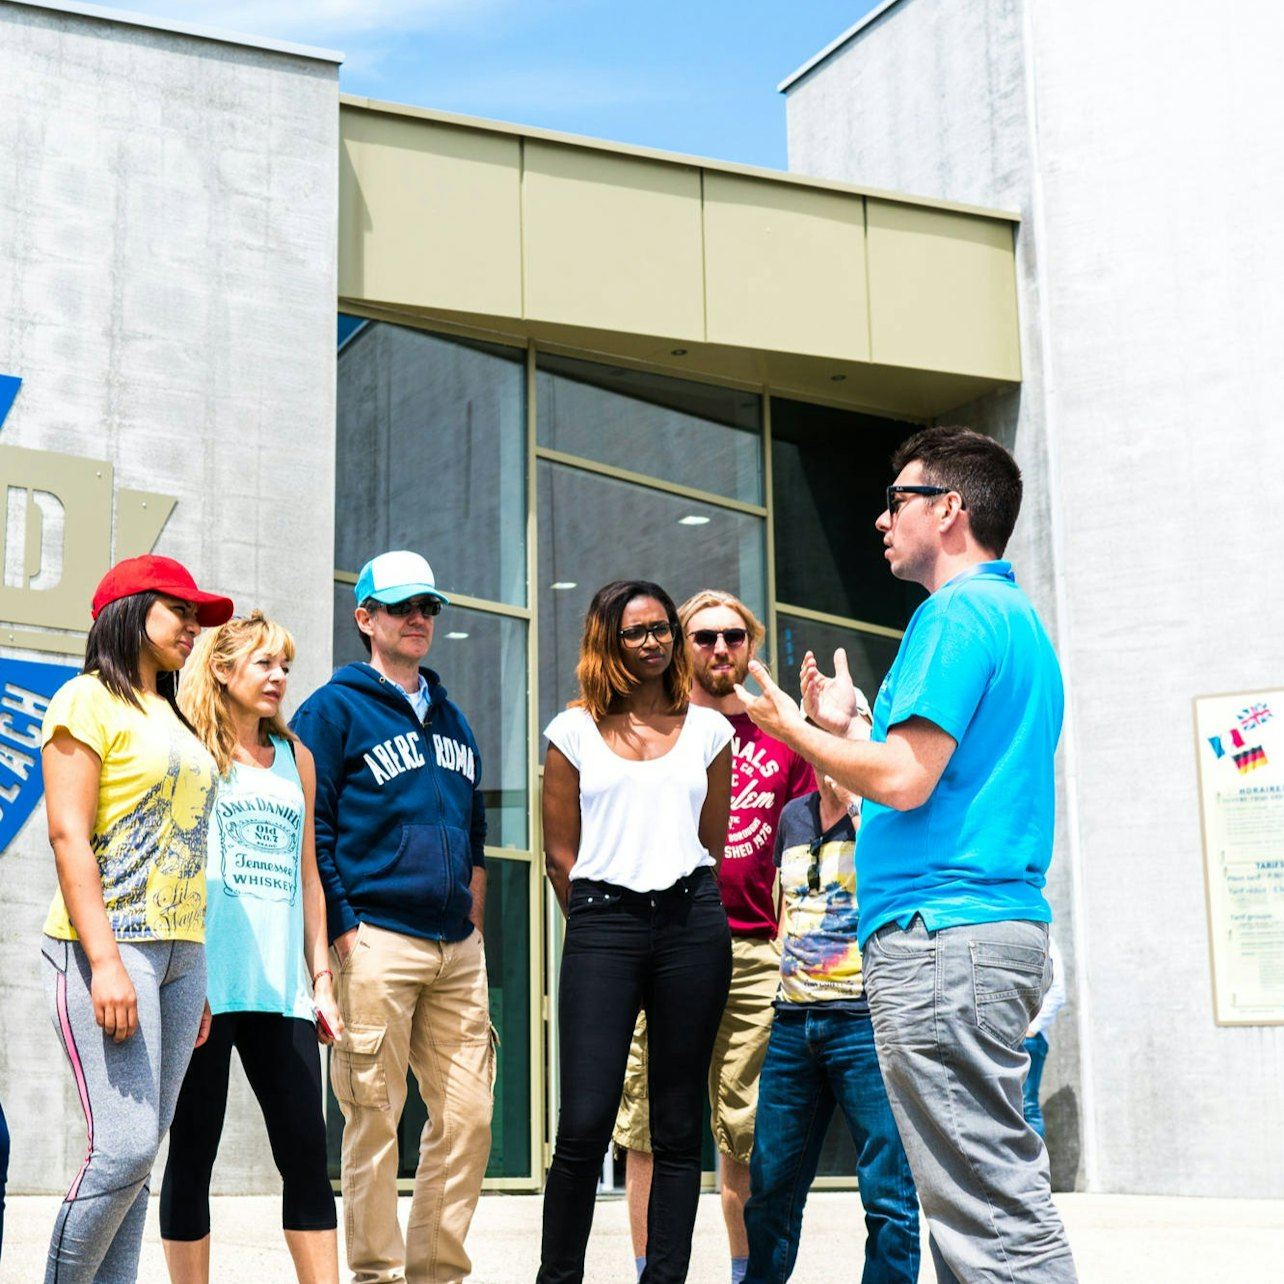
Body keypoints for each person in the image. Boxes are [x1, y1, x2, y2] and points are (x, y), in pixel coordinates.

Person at [735, 427, 1078, 1283]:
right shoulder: (1015, 620)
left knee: (986, 1212)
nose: (882, 519)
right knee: (990, 1198)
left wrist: (795, 730)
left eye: (899, 500)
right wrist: (853, 727)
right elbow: (931, 770)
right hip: (981, 934)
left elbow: (905, 780)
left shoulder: (954, 613)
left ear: (951, 510)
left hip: (941, 941)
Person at [291, 549, 491, 1284]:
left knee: (467, 1118)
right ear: (364, 617)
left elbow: (474, 833)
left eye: (428, 608)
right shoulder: (331, 710)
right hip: (374, 935)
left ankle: (434, 1273)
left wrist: (471, 920)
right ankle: (376, 1274)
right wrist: (343, 927)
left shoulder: (453, 716)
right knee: (373, 1120)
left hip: (453, 946)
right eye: (403, 607)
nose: (418, 619)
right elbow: (312, 828)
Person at [39, 554, 232, 1282]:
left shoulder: (173, 714)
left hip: (182, 955)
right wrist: (110, 962)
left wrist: (195, 971)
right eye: (180, 611)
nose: (193, 628)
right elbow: (67, 834)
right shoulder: (83, 700)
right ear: (129, 610)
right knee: (119, 1149)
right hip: (107, 946)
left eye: (197, 617)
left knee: (141, 1157)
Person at [613, 590, 814, 1284]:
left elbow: (811, 849)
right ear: (681, 647)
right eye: (703, 638)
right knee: (646, 1127)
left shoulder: (784, 742)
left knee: (746, 1132)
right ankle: (650, 1272)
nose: (720, 649)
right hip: (663, 942)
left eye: (734, 636)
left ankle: (745, 1274)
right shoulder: (656, 730)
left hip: (756, 951)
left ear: (751, 646)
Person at [539, 580, 734, 1284]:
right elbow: (560, 853)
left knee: (678, 1127)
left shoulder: (711, 732)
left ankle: (664, 1278)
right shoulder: (571, 731)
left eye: (661, 630)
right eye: (635, 632)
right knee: (585, 1122)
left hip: (691, 926)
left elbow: (707, 839)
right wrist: (597, 918)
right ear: (608, 642)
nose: (652, 642)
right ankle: (557, 1277)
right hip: (603, 928)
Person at [160, 611, 344, 1283]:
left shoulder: (298, 758)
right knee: (193, 1154)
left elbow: (308, 875)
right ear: (222, 669)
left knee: (306, 1151)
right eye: (265, 663)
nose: (279, 678)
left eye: (285, 666)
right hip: (204, 983)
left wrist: (320, 977)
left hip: (281, 991)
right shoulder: (187, 749)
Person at [744, 767, 919, 1284]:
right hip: (794, 1020)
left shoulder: (885, 813)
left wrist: (860, 805)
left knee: (887, 1189)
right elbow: (785, 908)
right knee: (771, 1184)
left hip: (863, 1020)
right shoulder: (793, 817)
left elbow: (896, 880)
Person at [1023, 936, 1066, 1140]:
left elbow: (1058, 992)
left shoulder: (1044, 937)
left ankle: (1035, 1171)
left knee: (1026, 1106)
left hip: (1029, 1039)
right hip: (1010, 1036)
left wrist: (1031, 1028)